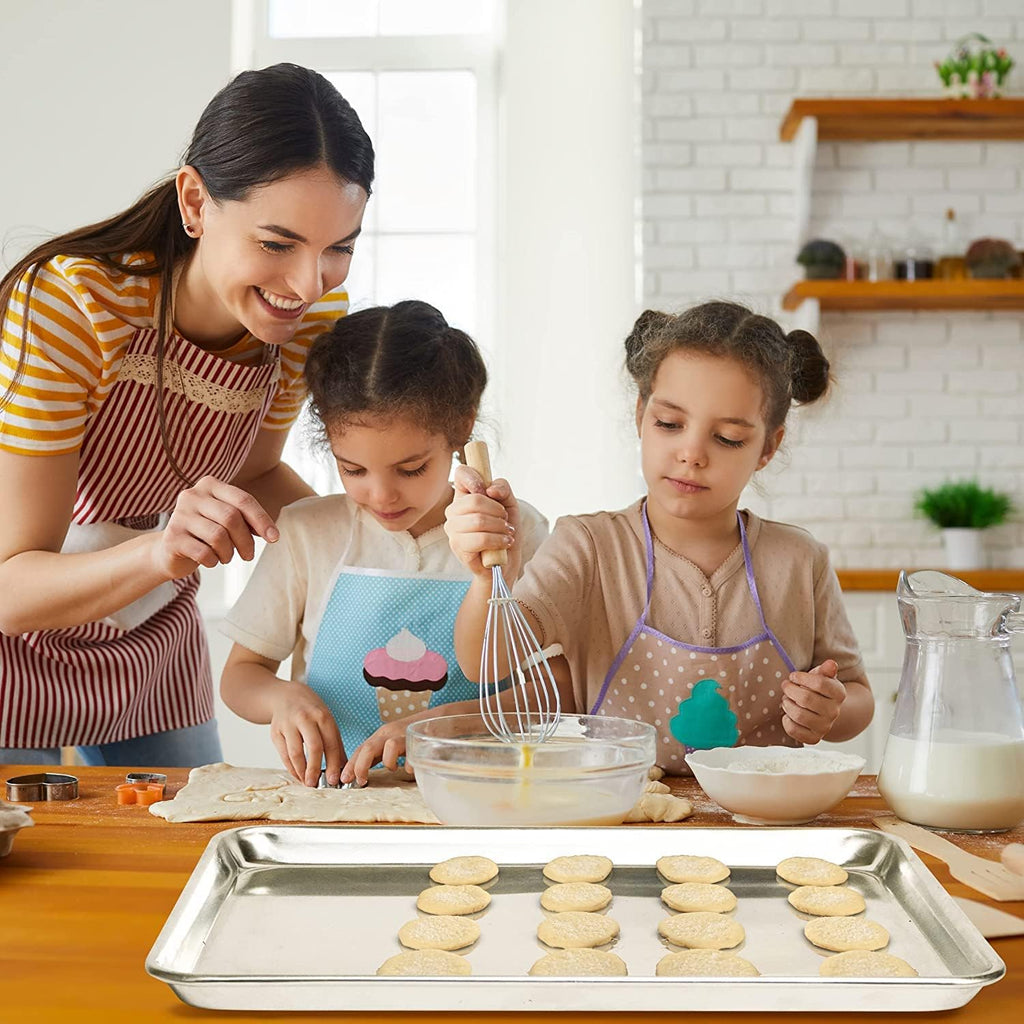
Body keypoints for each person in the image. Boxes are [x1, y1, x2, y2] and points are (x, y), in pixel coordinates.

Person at [0, 63, 374, 767]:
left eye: (339, 249)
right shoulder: (75, 305)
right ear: (196, 202)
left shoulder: (313, 315)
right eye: (276, 243)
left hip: (149, 634)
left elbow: (258, 470)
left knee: (180, 843)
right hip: (17, 636)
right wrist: (159, 551)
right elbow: (11, 586)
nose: (305, 285)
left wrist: (380, 537)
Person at [446, 301, 874, 773]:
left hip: (766, 822)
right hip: (624, 812)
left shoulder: (798, 560)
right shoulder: (589, 547)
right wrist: (491, 581)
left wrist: (829, 709)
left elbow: (857, 695)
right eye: (669, 424)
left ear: (767, 447)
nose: (691, 453)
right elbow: (485, 663)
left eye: (727, 437)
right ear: (640, 416)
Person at [219, 300, 549, 788]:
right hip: (337, 800)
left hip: (484, 796)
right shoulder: (308, 532)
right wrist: (282, 698)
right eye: (352, 469)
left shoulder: (518, 535)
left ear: (462, 427)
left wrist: (442, 725)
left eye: (410, 468)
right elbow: (241, 676)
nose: (381, 495)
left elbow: (548, 695)